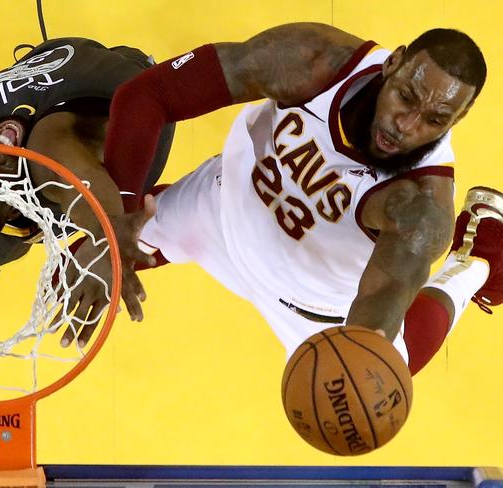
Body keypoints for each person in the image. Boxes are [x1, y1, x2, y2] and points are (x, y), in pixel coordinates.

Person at [97, 23, 500, 374]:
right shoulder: (316, 61)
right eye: (406, 98)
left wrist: (361, 364)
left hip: (311, 309)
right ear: (392, 63)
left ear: (456, 121)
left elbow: (379, 303)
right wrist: (117, 224)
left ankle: (473, 263)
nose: (406, 126)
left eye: (434, 121)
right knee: (82, 258)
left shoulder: (421, 207)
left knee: (385, 375)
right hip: (217, 212)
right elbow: (148, 95)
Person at [0, 37, 174, 460]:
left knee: (77, 201)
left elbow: (94, 200)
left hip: (130, 108)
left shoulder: (48, 149)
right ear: (8, 208)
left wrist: (107, 247)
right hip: (81, 74)